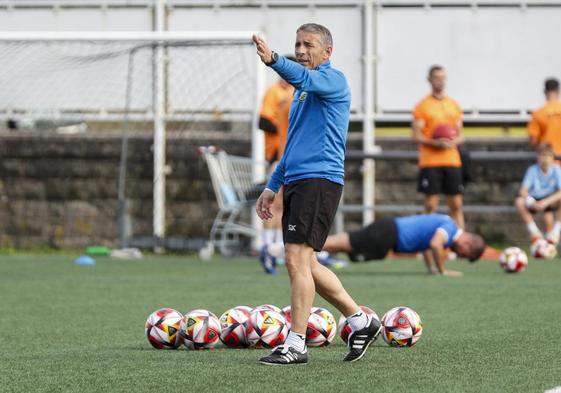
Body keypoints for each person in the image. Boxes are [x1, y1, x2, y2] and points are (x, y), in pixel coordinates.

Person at [253, 23, 380, 365]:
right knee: (306, 262)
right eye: (297, 44)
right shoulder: (302, 91)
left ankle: (296, 343)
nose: (301, 49)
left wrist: (274, 59)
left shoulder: (331, 80)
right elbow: (292, 142)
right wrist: (272, 185)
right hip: (297, 180)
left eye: (308, 44)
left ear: (328, 52)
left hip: (319, 180)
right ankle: (360, 320)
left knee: (294, 258)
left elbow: (304, 78)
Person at [321, 214, 485, 277]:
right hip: (388, 233)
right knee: (345, 243)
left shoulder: (449, 227)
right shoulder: (451, 228)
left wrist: (431, 269)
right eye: (465, 254)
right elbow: (435, 245)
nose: (461, 256)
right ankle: (310, 246)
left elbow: (428, 245)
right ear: (468, 244)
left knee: (347, 244)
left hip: (389, 233)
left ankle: (315, 249)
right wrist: (442, 271)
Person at [412, 65, 466, 229]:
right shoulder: (422, 106)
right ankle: (426, 243)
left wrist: (451, 143)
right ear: (429, 80)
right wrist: (436, 143)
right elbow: (416, 135)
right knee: (430, 206)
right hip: (430, 162)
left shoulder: (454, 105)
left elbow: (461, 135)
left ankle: (460, 241)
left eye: (443, 78)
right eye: (436, 78)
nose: (440, 82)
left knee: (456, 204)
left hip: (451, 161)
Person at [258, 59, 295, 274]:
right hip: (280, 156)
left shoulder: (292, 95)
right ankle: (269, 247)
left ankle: (273, 247)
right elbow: (263, 121)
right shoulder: (280, 95)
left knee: (280, 204)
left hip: (285, 156)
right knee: (277, 203)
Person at [515, 143, 561, 245]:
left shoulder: (557, 170)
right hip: (534, 199)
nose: (545, 159)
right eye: (542, 155)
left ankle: (556, 232)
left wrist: (545, 202)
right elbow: (523, 190)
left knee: (550, 217)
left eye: (548, 156)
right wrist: (530, 201)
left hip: (549, 200)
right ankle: (535, 234)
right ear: (538, 157)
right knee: (519, 202)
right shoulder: (532, 170)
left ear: (553, 158)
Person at [528, 78, 561, 155]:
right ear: (558, 91)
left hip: (547, 161)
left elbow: (533, 141)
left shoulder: (538, 113)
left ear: (544, 92)